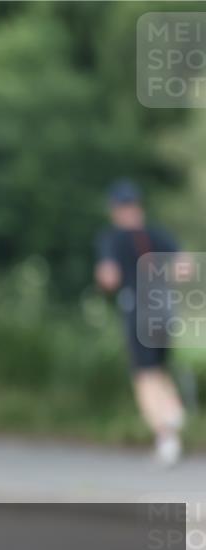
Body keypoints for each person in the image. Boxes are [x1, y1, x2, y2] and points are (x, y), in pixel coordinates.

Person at [94, 180, 186, 466]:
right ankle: (173, 410)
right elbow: (184, 267)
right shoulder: (158, 234)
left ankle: (166, 436)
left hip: (138, 312)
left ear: (114, 210)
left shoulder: (112, 239)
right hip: (165, 310)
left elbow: (109, 277)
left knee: (144, 377)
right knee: (158, 369)